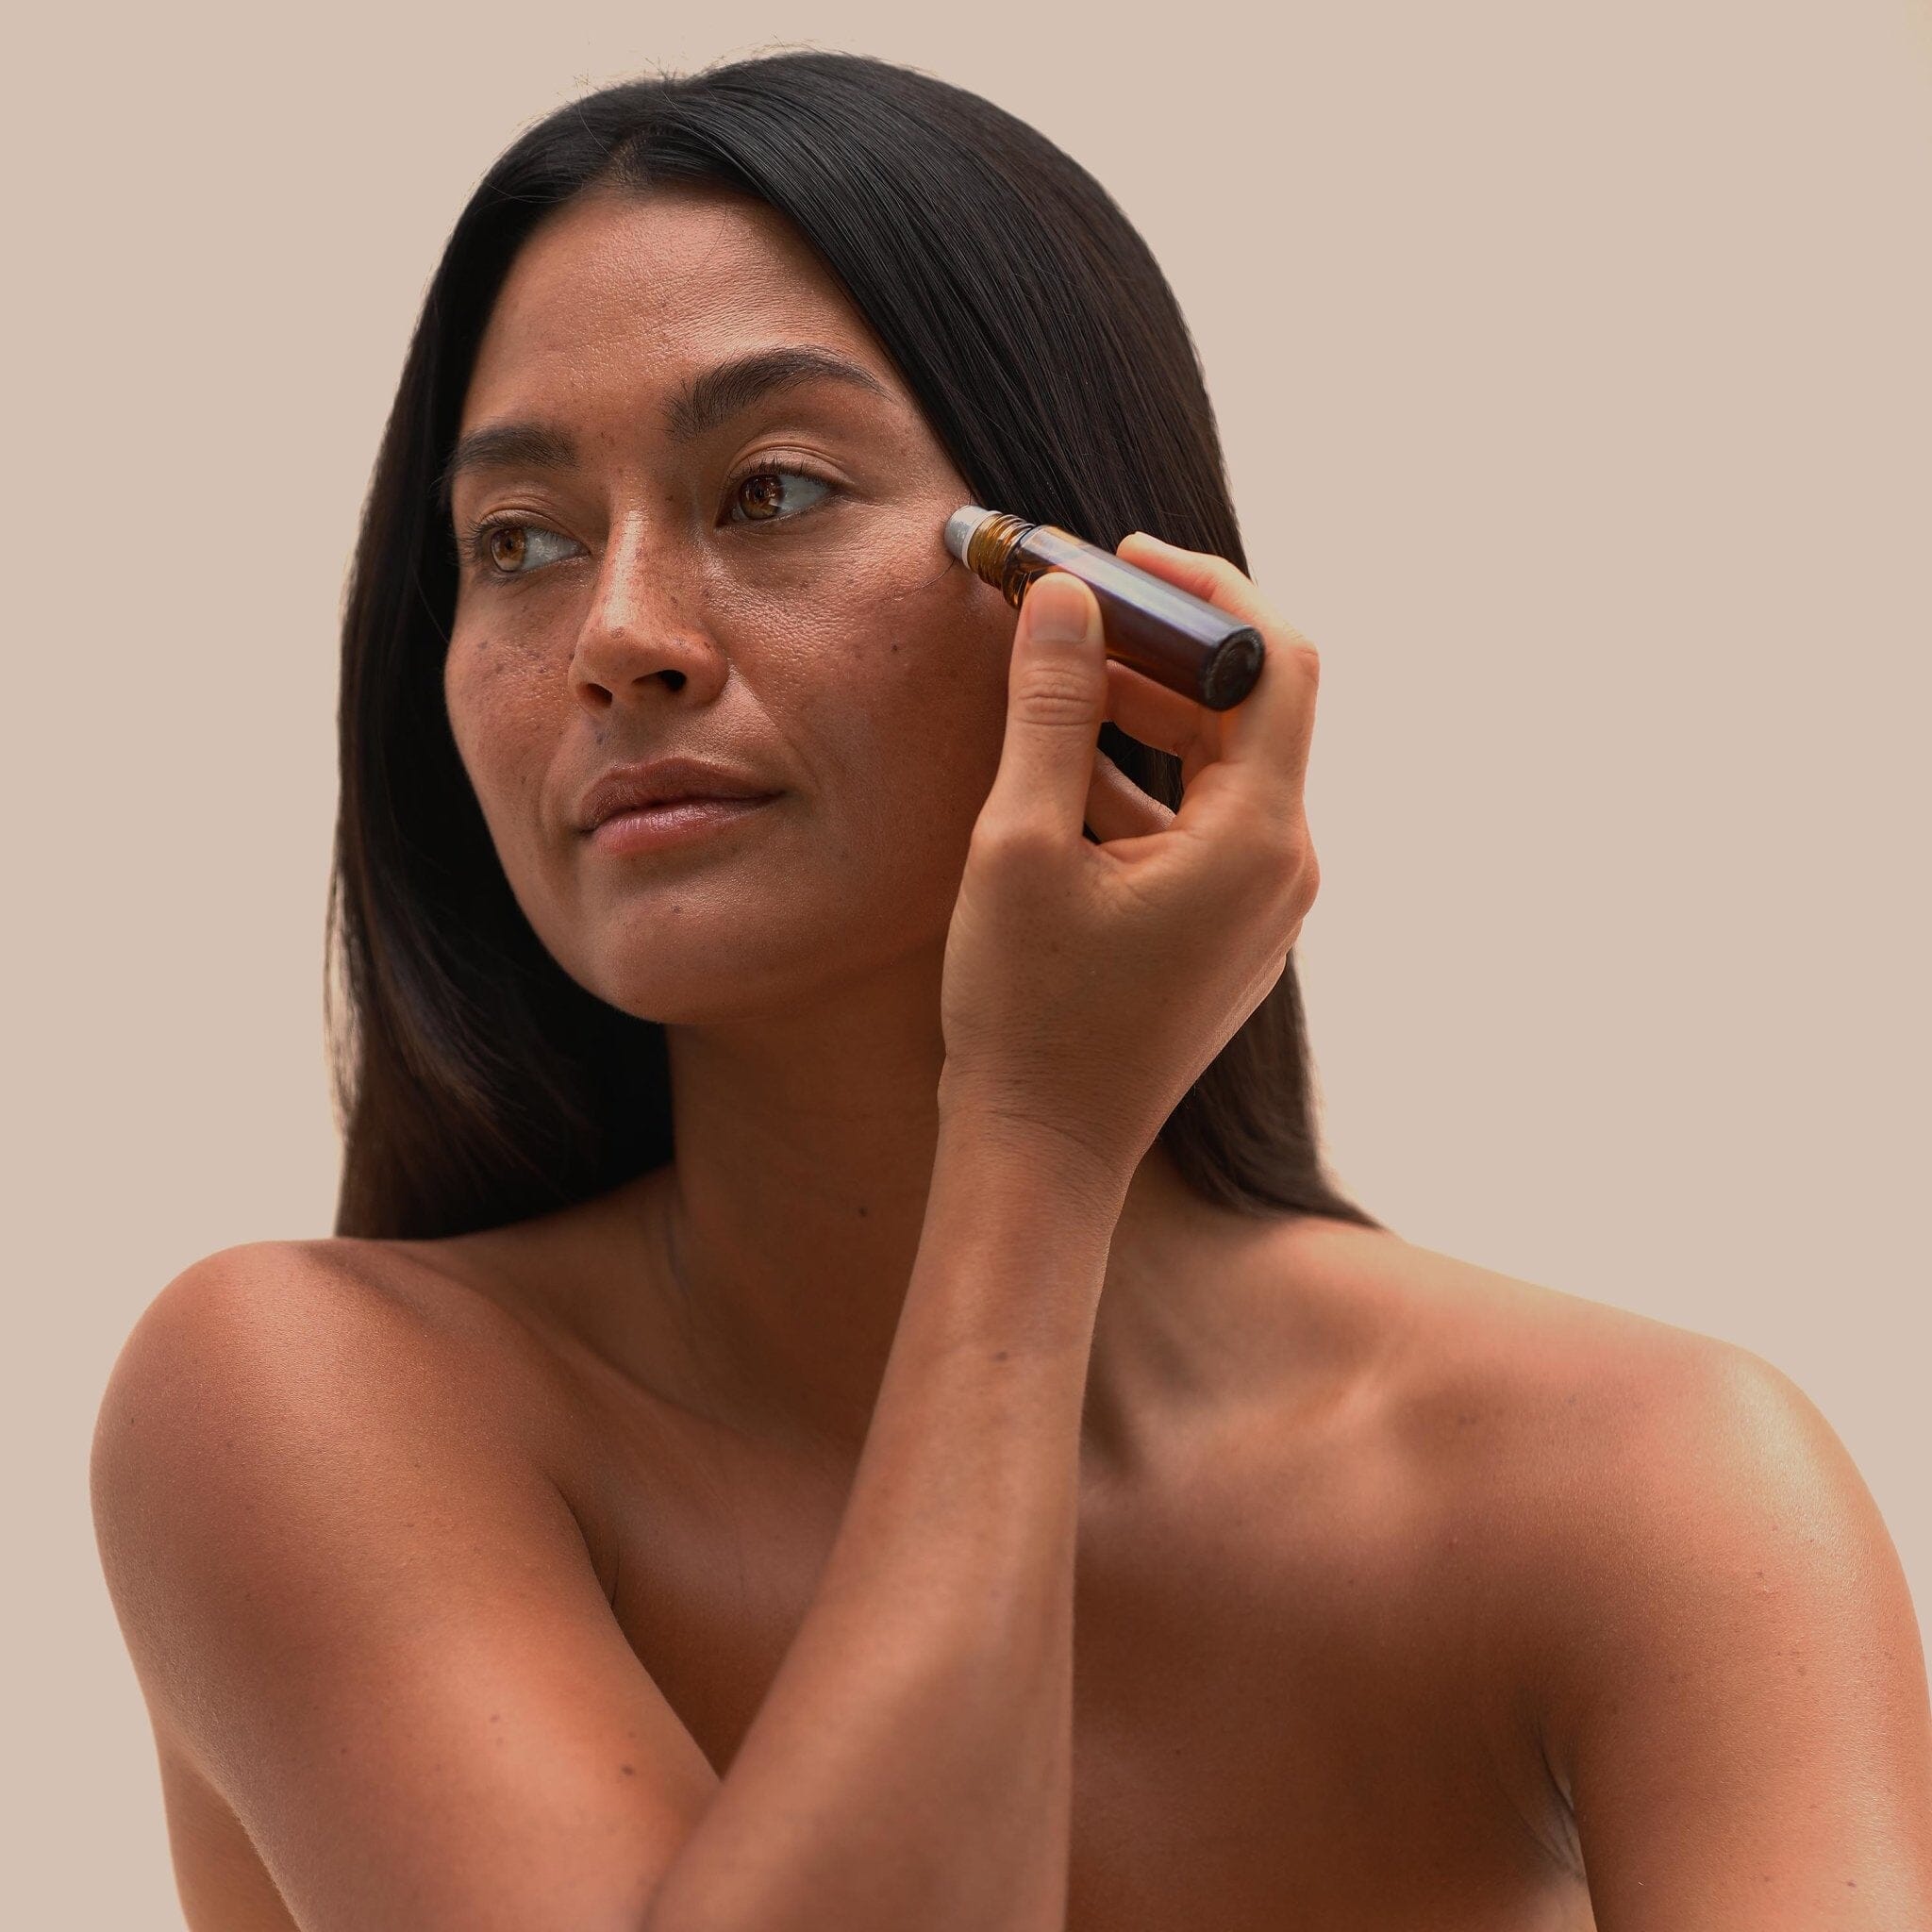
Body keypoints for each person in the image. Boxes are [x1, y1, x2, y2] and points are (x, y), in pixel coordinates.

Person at [90, 49, 1931, 1932]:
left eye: (772, 490)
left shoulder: (1654, 1488)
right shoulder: (306, 1407)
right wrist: (1033, 1145)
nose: (621, 636)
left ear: (1111, 607)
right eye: (522, 543)